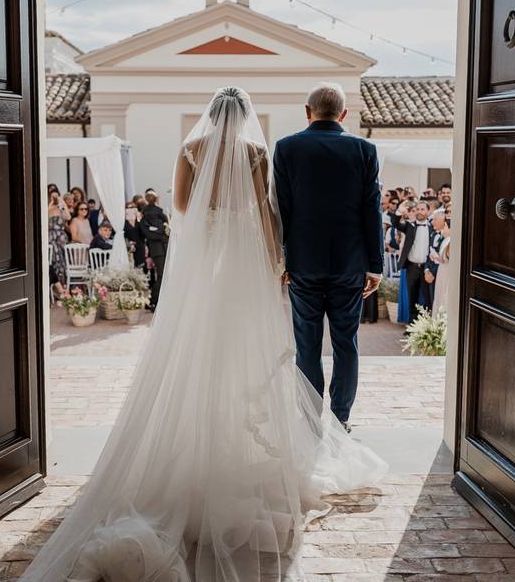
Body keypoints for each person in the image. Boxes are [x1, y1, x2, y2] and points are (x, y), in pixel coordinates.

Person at [19, 86, 387, 582]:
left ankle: (193, 443)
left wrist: (224, 241)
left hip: (207, 264)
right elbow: (264, 210)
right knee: (276, 351)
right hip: (255, 264)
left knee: (199, 351)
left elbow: (185, 208)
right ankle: (324, 424)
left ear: (210, 116)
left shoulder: (192, 150)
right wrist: (271, 256)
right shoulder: (260, 151)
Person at [273, 82, 383, 431]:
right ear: (344, 114)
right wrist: (376, 265)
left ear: (308, 112)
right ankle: (341, 418)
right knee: (345, 342)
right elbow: (372, 210)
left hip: (303, 262)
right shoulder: (364, 149)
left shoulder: (287, 148)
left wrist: (282, 258)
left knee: (306, 343)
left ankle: (309, 419)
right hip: (351, 263)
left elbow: (282, 211)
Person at [392, 199, 434, 323]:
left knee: (427, 297)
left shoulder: (433, 227)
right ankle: (412, 326)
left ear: (428, 211)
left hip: (427, 268)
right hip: (412, 267)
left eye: (422, 209)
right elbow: (396, 223)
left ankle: (426, 325)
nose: (419, 212)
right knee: (412, 297)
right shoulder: (410, 226)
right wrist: (400, 210)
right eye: (418, 209)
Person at [139, 190, 169, 311]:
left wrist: (158, 231)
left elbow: (149, 233)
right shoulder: (159, 215)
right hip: (162, 247)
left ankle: (155, 301)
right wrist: (161, 232)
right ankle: (154, 301)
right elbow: (162, 231)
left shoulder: (145, 218)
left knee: (162, 276)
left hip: (156, 249)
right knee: (162, 275)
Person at [47, 188, 71, 300]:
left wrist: (62, 203)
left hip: (61, 237)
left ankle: (64, 287)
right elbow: (43, 217)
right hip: (50, 237)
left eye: (56, 196)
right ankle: (55, 289)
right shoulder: (48, 207)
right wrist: (51, 204)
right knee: (53, 261)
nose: (55, 198)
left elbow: (68, 217)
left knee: (62, 262)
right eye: (53, 196)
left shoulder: (61, 207)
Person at [430, 212, 451, 317]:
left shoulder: (451, 241)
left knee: (444, 297)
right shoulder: (446, 240)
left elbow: (448, 258)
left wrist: (439, 258)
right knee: (438, 296)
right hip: (441, 271)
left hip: (447, 273)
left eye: (446, 226)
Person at [123, 201, 146, 268]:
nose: (131, 210)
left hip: (140, 246)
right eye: (129, 208)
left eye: (133, 208)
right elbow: (123, 234)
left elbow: (144, 233)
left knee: (140, 266)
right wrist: (129, 242)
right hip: (129, 247)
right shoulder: (124, 222)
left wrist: (139, 220)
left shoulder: (139, 220)